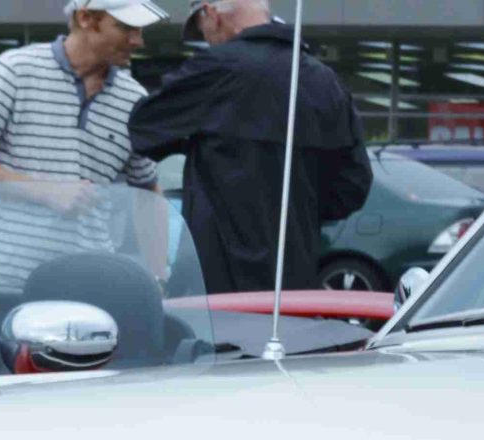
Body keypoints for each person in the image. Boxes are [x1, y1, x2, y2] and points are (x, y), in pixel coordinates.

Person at [129, 0, 370, 293]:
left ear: (212, 13)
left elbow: (142, 126)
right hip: (292, 285)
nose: (204, 37)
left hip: (214, 283)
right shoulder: (325, 82)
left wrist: (191, 138)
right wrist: (297, 216)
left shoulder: (215, 69)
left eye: (200, 27)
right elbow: (353, 185)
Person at [0, 0, 170, 290]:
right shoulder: (17, 69)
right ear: (85, 18)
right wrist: (45, 191)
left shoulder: (133, 97)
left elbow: (148, 193)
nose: (138, 40)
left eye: (140, 30)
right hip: (10, 283)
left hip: (94, 284)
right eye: (125, 28)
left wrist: (159, 277)